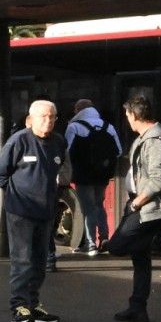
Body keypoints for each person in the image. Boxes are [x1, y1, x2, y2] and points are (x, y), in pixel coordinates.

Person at [104, 93, 161, 322]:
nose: (126, 119)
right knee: (141, 259)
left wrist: (138, 202)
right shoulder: (146, 137)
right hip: (142, 204)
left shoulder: (155, 141)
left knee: (116, 246)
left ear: (134, 115)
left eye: (127, 115)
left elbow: (159, 178)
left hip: (148, 207)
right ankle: (138, 307)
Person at [0, 99, 65, 322]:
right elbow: (0, 174)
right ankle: (19, 307)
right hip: (21, 212)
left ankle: (33, 304)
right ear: (30, 119)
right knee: (23, 260)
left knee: (40, 261)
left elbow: (59, 170)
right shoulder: (19, 141)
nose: (49, 121)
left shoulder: (58, 142)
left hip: (45, 211)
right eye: (44, 116)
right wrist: (17, 197)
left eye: (52, 117)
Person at [64, 98, 121, 255]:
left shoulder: (74, 126)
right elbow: (119, 150)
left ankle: (90, 244)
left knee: (87, 208)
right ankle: (104, 238)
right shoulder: (108, 126)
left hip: (82, 174)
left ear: (78, 110)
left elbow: (66, 150)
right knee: (98, 205)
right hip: (102, 174)